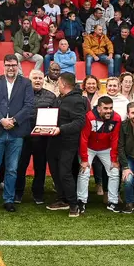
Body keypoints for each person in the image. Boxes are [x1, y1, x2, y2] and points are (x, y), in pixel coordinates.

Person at [0, 55, 35, 212]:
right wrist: (1, 120)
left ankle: (8, 199)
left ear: (18, 65)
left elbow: (29, 105)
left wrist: (13, 120)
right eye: (8, 65)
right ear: (3, 66)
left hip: (16, 131)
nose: (11, 68)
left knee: (12, 168)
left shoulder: (26, 83)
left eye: (13, 65)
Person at [46, 72, 88, 216]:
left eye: (58, 82)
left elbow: (79, 122)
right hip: (54, 141)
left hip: (67, 142)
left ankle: (73, 205)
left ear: (63, 83)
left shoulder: (76, 100)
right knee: (55, 171)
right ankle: (62, 199)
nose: (57, 85)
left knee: (65, 173)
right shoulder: (60, 98)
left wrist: (60, 129)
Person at [15, 70, 55, 204]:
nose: (38, 80)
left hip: (42, 139)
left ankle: (38, 194)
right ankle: (18, 193)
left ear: (44, 80)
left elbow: (55, 115)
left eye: (40, 78)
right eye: (35, 78)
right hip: (23, 137)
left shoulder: (51, 96)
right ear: (29, 79)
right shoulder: (20, 95)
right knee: (20, 166)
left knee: (40, 167)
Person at [77, 96, 122, 213]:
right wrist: (84, 159)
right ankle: (81, 201)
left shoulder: (117, 118)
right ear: (98, 108)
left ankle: (113, 201)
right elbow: (84, 138)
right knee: (84, 171)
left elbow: (115, 139)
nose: (108, 111)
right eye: (105, 108)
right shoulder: (89, 117)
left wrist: (114, 158)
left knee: (114, 171)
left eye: (110, 108)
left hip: (106, 148)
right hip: (89, 148)